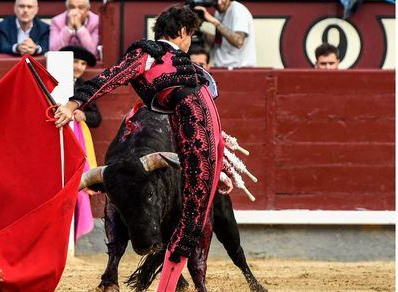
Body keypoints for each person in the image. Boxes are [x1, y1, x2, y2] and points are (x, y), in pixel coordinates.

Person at [54, 6, 234, 291]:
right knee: (190, 224)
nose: (190, 42)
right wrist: (73, 103)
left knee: (191, 223)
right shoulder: (148, 55)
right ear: (183, 32)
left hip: (204, 139)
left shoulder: (179, 61)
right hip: (198, 139)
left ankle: (181, 284)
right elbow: (108, 78)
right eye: (191, 35)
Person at [194, 0, 256, 68]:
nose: (219, 2)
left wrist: (215, 23)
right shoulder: (218, 12)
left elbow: (239, 41)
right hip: (221, 66)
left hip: (237, 68)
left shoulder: (238, 11)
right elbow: (220, 42)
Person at [60, 45, 101, 128]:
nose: (79, 67)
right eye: (75, 61)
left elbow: (97, 117)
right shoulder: (55, 80)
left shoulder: (85, 86)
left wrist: (84, 115)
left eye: (83, 64)